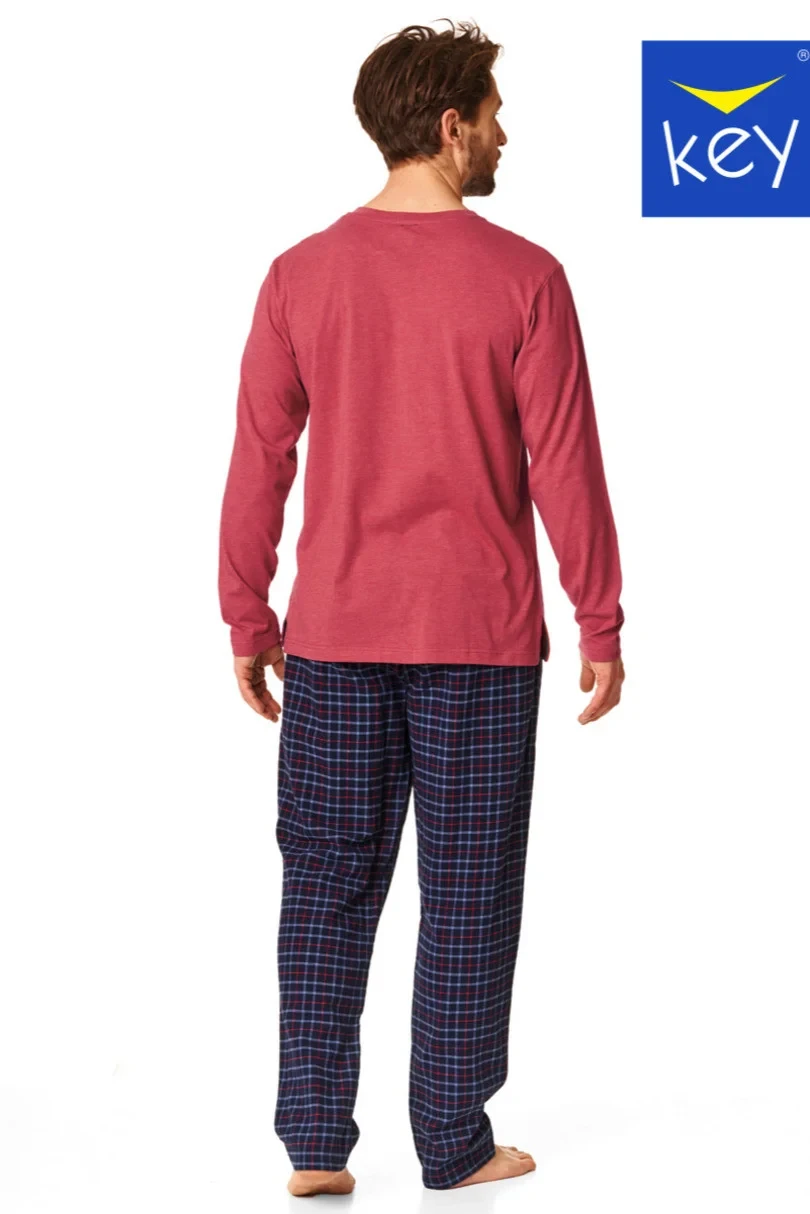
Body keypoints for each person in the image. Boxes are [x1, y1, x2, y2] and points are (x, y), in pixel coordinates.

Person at [218, 18, 625, 1198]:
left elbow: (259, 459)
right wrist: (600, 618)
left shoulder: (300, 274)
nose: (504, 134)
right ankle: (453, 1139)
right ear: (450, 127)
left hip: (335, 639)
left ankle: (315, 1143)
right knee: (468, 891)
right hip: (480, 643)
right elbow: (566, 464)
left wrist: (248, 614)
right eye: (492, 114)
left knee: (325, 886)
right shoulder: (526, 278)